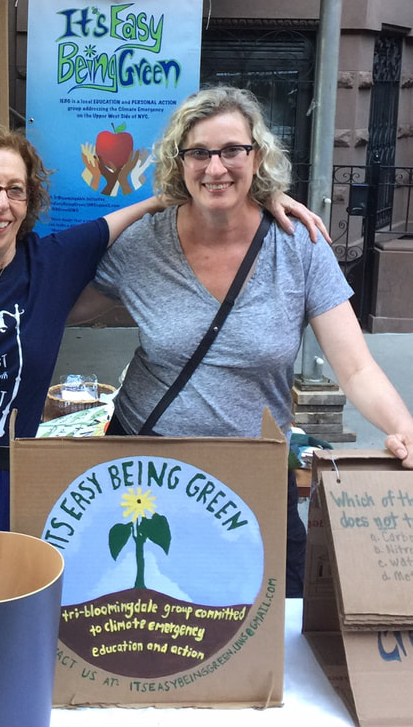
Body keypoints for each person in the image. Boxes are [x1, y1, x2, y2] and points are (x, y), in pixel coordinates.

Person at [0, 122, 325, 591]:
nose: (0, 203)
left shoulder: (52, 263)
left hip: (8, 482)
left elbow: (157, 204)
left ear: (28, 203)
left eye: (15, 190)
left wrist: (263, 199)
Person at [72, 86, 413, 596]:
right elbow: (57, 309)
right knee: (144, 627)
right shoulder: (145, 244)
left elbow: (356, 368)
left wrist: (403, 426)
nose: (216, 168)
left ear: (258, 157)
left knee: (270, 619)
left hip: (253, 472)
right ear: (179, 162)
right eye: (199, 153)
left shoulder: (298, 245)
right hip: (146, 470)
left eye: (233, 150)